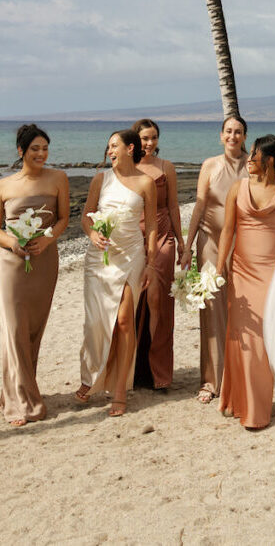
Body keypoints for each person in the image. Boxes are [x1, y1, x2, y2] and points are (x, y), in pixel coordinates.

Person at [216, 135, 275, 429]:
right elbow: (228, 230)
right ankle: (236, 399)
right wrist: (219, 268)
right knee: (241, 337)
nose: (248, 159)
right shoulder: (237, 189)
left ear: (269, 160)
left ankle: (256, 409)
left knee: (263, 340)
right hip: (241, 272)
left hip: (273, 275)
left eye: (253, 155)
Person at [76, 130, 157, 417]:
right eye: (108, 146)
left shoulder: (146, 182)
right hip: (99, 258)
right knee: (96, 322)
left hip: (131, 256)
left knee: (124, 321)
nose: (110, 150)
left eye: (115, 145)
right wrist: (94, 233)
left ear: (129, 148)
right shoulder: (101, 179)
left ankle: (121, 388)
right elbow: (86, 216)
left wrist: (149, 263)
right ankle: (90, 377)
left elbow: (153, 227)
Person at [0, 124, 69, 426]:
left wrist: (48, 238)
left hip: (44, 262)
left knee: (33, 331)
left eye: (45, 148)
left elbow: (65, 218)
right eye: (35, 149)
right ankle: (21, 400)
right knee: (13, 330)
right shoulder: (5, 185)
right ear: (21, 151)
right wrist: (12, 242)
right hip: (11, 265)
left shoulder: (59, 178)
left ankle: (18, 389)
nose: (41, 154)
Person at [181, 116, 249, 403]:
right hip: (209, 242)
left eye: (238, 132)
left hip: (242, 245)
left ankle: (242, 374)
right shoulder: (209, 165)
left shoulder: (252, 165)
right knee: (211, 309)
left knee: (243, 309)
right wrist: (187, 247)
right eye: (228, 131)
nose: (233, 136)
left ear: (245, 136)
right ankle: (211, 381)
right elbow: (199, 206)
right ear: (221, 135)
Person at [131, 119, 184, 390]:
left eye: (153, 138)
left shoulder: (167, 168)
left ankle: (159, 373)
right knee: (132, 301)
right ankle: (134, 371)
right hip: (132, 240)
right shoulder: (126, 168)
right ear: (135, 140)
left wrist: (182, 243)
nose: (149, 143)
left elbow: (174, 206)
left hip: (163, 238)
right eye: (144, 138)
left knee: (159, 302)